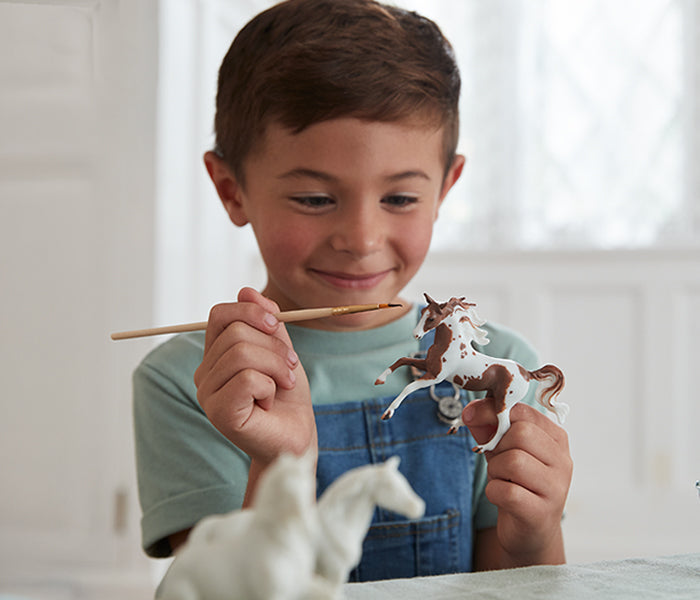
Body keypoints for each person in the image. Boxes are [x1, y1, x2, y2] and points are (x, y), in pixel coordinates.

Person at [133, 0, 572, 580]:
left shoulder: (503, 369)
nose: (362, 239)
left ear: (445, 187)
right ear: (231, 189)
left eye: (400, 199)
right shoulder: (193, 382)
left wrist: (536, 531)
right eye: (315, 199)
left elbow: (519, 585)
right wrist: (278, 463)